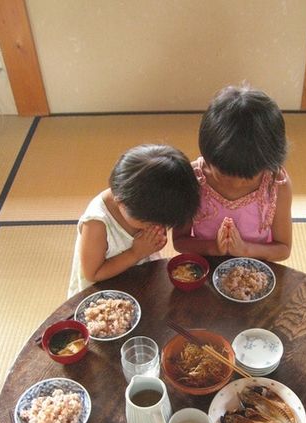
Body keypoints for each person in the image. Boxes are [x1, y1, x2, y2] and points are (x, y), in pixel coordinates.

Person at [172, 85, 292, 261]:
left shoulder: (276, 185)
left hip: (254, 269)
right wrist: (214, 247)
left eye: (247, 179)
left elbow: (283, 248)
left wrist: (244, 250)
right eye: (223, 175)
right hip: (205, 264)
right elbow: (180, 241)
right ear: (208, 155)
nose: (235, 184)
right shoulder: (193, 179)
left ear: (269, 162)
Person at [68, 144, 200, 296]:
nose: (157, 227)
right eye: (150, 224)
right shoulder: (97, 224)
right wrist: (135, 253)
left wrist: (155, 243)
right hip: (104, 294)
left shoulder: (147, 205)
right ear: (120, 202)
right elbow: (93, 274)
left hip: (140, 279)